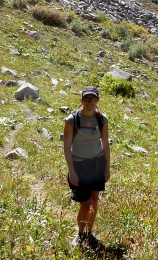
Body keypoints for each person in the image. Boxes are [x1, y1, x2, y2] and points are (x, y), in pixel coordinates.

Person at [63, 85, 111, 248]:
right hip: (79, 165)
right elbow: (67, 147)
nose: (90, 102)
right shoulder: (72, 120)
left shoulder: (102, 119)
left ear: (98, 100)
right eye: (86, 99)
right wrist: (72, 171)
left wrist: (107, 167)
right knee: (85, 202)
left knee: (95, 200)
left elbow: (105, 144)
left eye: (93, 99)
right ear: (81, 100)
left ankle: (89, 234)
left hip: (97, 163)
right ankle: (80, 234)